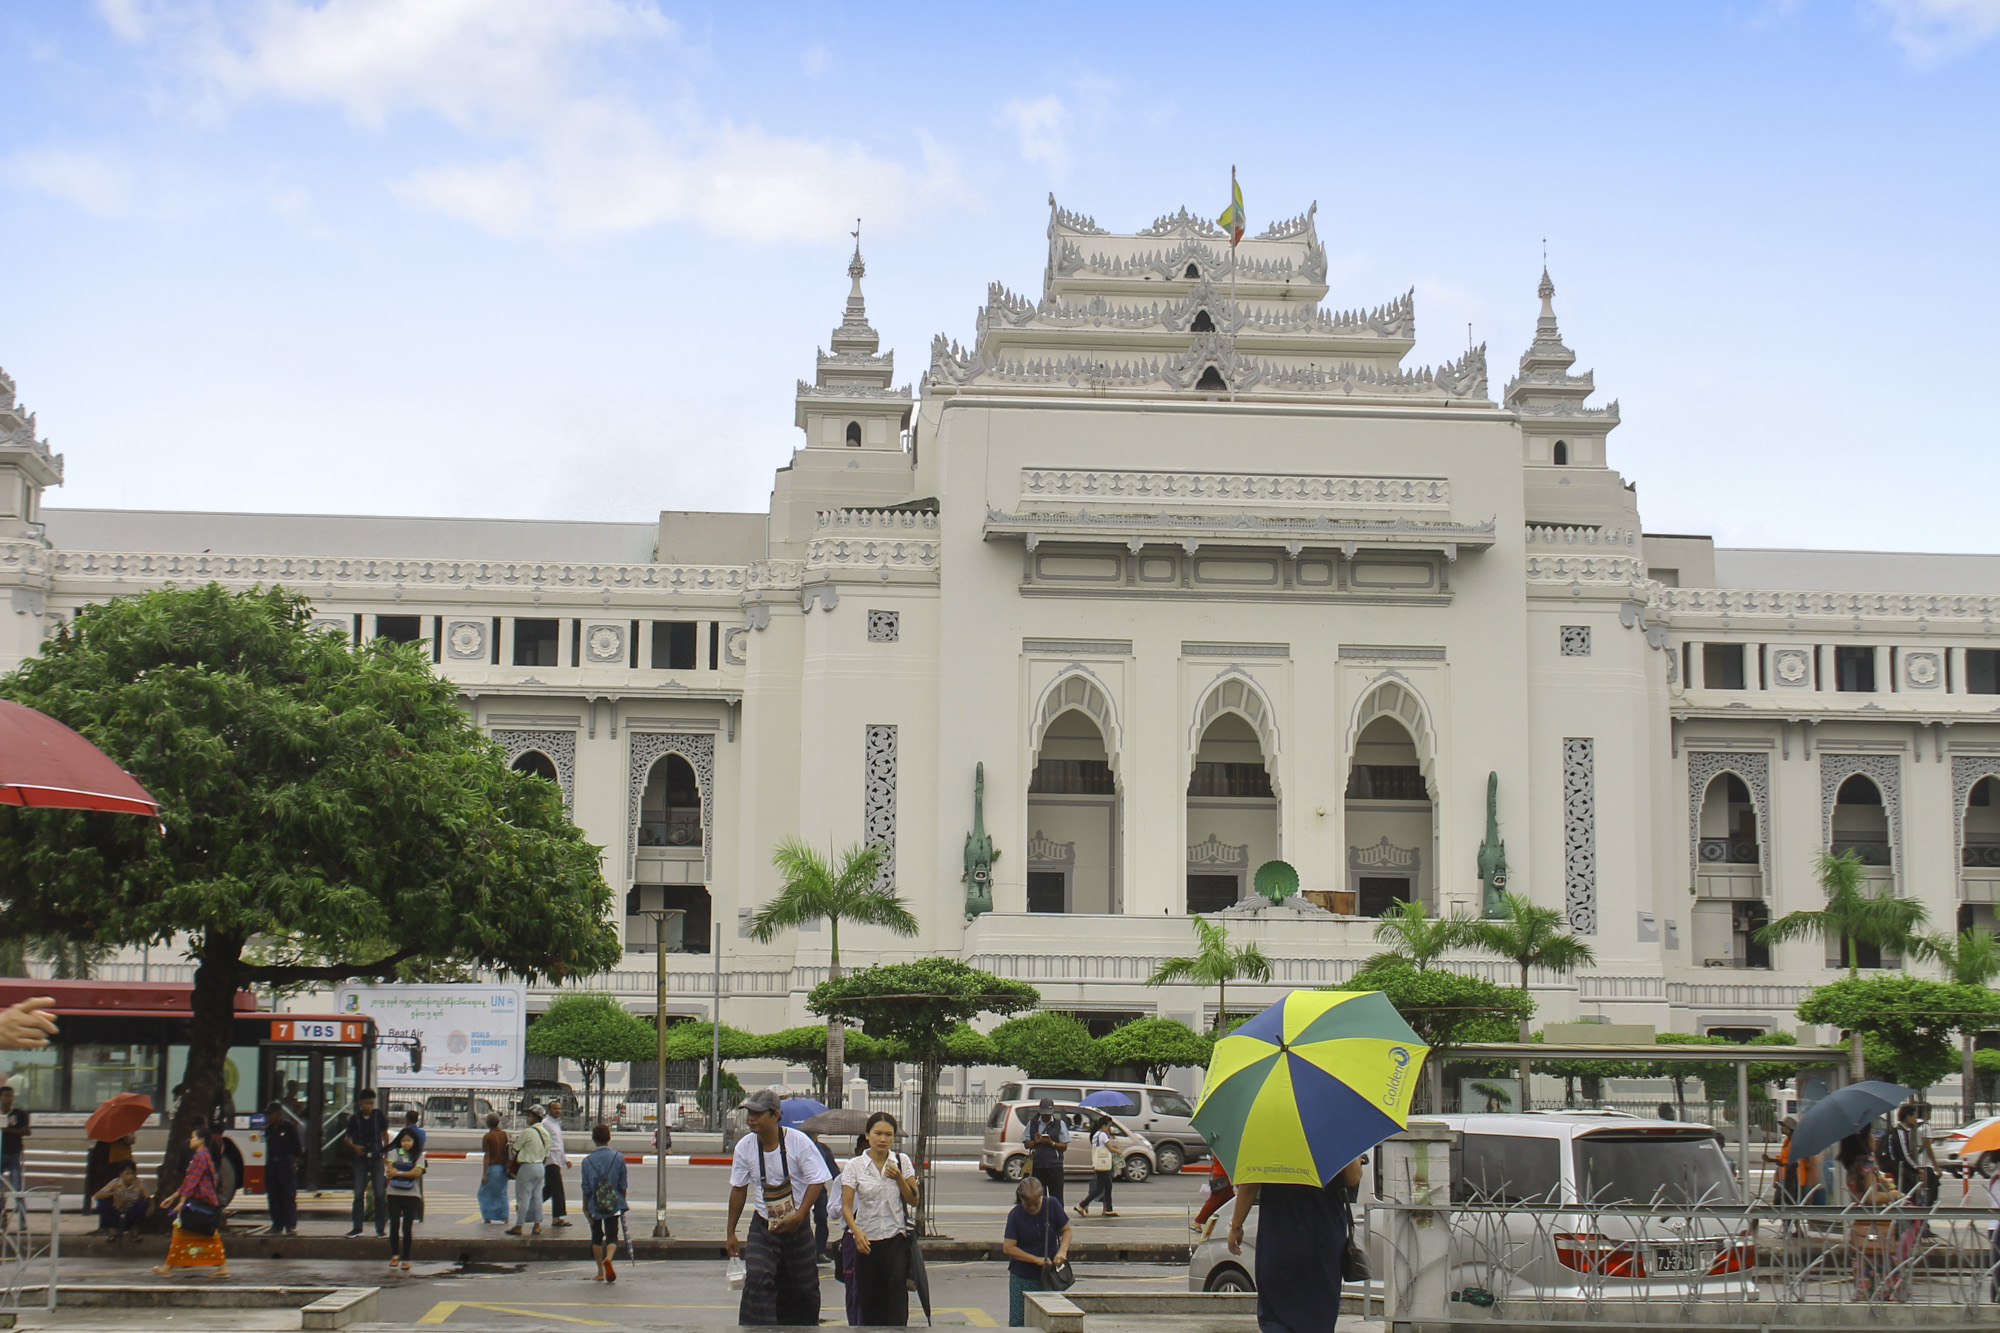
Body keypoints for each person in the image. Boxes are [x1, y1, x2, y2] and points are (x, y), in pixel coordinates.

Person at [725, 1086, 831, 1326]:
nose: (751, 1119)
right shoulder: (745, 1146)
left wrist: (799, 1215)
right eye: (749, 1113)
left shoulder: (798, 1142)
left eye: (758, 1113)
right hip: (764, 1225)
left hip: (797, 1224)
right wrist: (731, 1232)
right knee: (758, 1279)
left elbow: (817, 1181)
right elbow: (739, 1188)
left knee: (804, 1287)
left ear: (775, 1115)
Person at [1227, 1154, 1366, 1333]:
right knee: (1318, 1316)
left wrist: (1236, 1226)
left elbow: (1250, 1184)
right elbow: (1353, 1178)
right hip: (1322, 1239)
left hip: (1279, 1237)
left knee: (1277, 1315)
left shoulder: (1268, 1136)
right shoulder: (1333, 1132)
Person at [840, 1111, 919, 1327]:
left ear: (894, 1137)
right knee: (869, 1297)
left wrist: (899, 1178)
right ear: (867, 1135)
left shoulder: (901, 1162)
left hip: (895, 1237)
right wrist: (856, 1232)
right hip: (866, 1240)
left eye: (888, 1134)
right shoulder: (854, 1166)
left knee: (896, 1287)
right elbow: (846, 1206)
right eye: (877, 1133)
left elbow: (914, 1199)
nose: (882, 1139)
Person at [152, 1118, 229, 1278]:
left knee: (187, 1232)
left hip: (201, 1203)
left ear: (201, 1140)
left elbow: (191, 1182)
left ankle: (169, 1266)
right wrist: (173, 1197)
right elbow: (189, 1182)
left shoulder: (200, 1157)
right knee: (203, 1234)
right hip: (203, 1202)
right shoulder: (203, 1155)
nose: (190, 1140)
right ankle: (220, 1267)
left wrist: (179, 1202)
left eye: (193, 1137)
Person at [1001, 1176, 1070, 1328]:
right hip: (1022, 1276)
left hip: (1048, 1275)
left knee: (1050, 1319)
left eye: (1036, 1204)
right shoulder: (1015, 1215)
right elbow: (1008, 1247)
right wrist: (1034, 1259)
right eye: (1028, 1205)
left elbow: (1066, 1230)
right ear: (1020, 1200)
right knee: (1019, 1320)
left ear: (1041, 1198)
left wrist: (1062, 1252)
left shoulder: (1052, 1205)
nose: (1032, 1208)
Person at [581, 1122, 629, 1283]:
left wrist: (585, 1207)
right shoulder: (618, 1157)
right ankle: (608, 1257)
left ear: (594, 1139)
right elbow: (623, 1184)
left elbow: (586, 1187)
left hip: (595, 1204)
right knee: (612, 1236)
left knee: (596, 1236)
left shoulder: (587, 1161)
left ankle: (600, 1271)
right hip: (614, 1202)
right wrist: (622, 1202)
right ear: (609, 1138)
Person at [344, 1088, 389, 1238]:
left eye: (371, 1103)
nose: (369, 1106)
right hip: (361, 1158)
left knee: (380, 1194)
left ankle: (380, 1229)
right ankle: (357, 1228)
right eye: (366, 1103)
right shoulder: (354, 1118)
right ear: (360, 1103)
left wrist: (385, 1153)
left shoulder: (378, 1116)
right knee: (358, 1193)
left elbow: (385, 1134)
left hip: (376, 1157)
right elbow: (347, 1138)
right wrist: (355, 1147)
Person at [385, 1126, 425, 1272]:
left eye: (409, 1140)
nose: (406, 1143)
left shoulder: (419, 1155)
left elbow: (417, 1173)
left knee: (407, 1228)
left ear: (414, 1141)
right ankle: (395, 1256)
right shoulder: (393, 1152)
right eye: (404, 1140)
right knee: (394, 1225)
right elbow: (389, 1171)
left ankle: (406, 1259)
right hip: (393, 1194)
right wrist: (403, 1171)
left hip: (412, 1195)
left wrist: (399, 1172)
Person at [507, 1106, 551, 1236]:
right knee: (537, 1197)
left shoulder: (528, 1132)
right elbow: (547, 1153)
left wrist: (511, 1141)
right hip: (540, 1167)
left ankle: (519, 1226)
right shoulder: (546, 1133)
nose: (528, 1118)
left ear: (535, 1117)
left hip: (527, 1167)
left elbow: (515, 1147)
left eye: (530, 1116)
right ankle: (537, 1226)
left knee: (523, 1198)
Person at [264, 1100, 304, 1236]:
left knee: (288, 1195)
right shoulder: (267, 1130)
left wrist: (291, 1163)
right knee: (273, 1196)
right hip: (272, 1165)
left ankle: (290, 1226)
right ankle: (277, 1225)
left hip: (285, 1164)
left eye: (271, 1114)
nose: (268, 1117)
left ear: (278, 1114)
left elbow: (297, 1149)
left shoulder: (289, 1127)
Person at [1023, 1098, 1070, 1205]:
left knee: (1057, 1198)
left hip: (1054, 1166)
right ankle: (1041, 1220)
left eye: (1048, 1114)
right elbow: (1026, 1144)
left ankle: (1056, 1220)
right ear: (1039, 1111)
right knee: (1039, 1199)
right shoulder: (1032, 1124)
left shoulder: (1060, 1124)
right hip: (1038, 1166)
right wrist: (1035, 1141)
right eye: (1044, 1114)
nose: (1046, 1116)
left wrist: (1051, 1143)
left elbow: (1064, 1146)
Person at [91, 1162, 151, 1241]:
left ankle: (133, 1228)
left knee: (142, 1203)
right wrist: (113, 1194)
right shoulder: (115, 1182)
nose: (130, 1177)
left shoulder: (140, 1183)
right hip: (117, 1211)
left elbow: (147, 1197)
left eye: (132, 1174)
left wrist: (151, 1207)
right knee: (102, 1204)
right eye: (127, 1174)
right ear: (121, 1174)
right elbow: (97, 1196)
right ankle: (113, 1230)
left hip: (131, 1212)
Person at [1077, 1116, 1119, 1219]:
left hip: (1099, 1162)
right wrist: (1118, 1151)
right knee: (1100, 1188)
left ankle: (1108, 1209)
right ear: (1104, 1126)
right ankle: (1082, 1205)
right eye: (1108, 1126)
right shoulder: (1103, 1135)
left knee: (1107, 1185)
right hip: (1104, 1164)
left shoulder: (1096, 1134)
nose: (1109, 1129)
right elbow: (1109, 1148)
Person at [807, 1129, 838, 1263]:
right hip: (800, 1188)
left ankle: (820, 1250)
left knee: (821, 1219)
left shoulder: (823, 1149)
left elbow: (834, 1171)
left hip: (819, 1189)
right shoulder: (796, 1147)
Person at [543, 1099, 571, 1228]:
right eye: (555, 1108)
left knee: (549, 1190)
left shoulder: (555, 1124)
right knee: (557, 1189)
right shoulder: (546, 1123)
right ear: (549, 1110)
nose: (558, 1111)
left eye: (559, 1108)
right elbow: (547, 1143)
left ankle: (526, 1206)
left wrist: (565, 1160)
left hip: (557, 1160)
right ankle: (557, 1218)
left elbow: (559, 1144)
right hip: (550, 1160)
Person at [478, 1113, 510, 1223]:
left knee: (484, 1193)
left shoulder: (488, 1136)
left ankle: (488, 1217)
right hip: (504, 1168)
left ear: (488, 1123)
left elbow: (487, 1156)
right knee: (502, 1193)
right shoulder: (506, 1135)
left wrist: (484, 1174)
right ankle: (505, 1216)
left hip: (493, 1168)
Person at [0, 1086, 30, 1194]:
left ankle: (21, 1208)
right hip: (0, 1153)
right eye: (6, 1096)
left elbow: (27, 1131)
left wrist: (9, 1130)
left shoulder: (18, 1113)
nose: (9, 1099)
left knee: (17, 1186)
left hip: (13, 1154)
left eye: (11, 1096)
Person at [1194, 1158, 1234, 1232]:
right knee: (1217, 1200)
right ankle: (1198, 1220)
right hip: (1222, 1175)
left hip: (1221, 1173)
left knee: (1228, 1200)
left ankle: (1220, 1223)